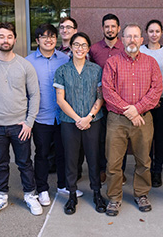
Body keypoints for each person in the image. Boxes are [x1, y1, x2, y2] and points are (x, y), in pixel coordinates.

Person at [0, 22, 42, 217]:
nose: (6, 40)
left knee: (24, 162)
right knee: (0, 163)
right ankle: (2, 195)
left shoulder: (25, 65)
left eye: (9, 36)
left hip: (20, 125)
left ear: (15, 39)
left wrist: (29, 121)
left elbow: (35, 94)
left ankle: (30, 195)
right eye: (1, 36)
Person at [102, 23, 162, 216]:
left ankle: (141, 194)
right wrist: (129, 111)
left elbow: (156, 90)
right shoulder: (113, 62)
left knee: (144, 160)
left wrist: (137, 109)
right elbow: (107, 91)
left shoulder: (151, 63)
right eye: (128, 36)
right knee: (113, 163)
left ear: (141, 40)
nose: (132, 40)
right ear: (123, 39)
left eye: (136, 36)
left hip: (143, 120)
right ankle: (114, 197)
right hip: (116, 120)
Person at [26, 23, 83, 207]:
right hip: (41, 116)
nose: (48, 39)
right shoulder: (28, 62)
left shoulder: (65, 58)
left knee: (63, 152)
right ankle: (42, 189)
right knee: (42, 154)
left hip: (63, 115)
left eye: (51, 36)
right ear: (37, 40)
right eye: (44, 36)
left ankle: (63, 185)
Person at [54, 32, 107, 215]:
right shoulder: (62, 71)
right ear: (70, 47)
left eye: (83, 45)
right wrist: (78, 118)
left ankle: (97, 193)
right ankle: (71, 195)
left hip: (93, 121)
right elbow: (60, 100)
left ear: (88, 48)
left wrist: (89, 117)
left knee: (93, 158)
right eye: (76, 45)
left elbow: (100, 97)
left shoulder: (96, 70)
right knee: (71, 159)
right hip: (70, 122)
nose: (79, 48)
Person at [89, 13, 126, 184]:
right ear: (102, 28)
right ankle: (103, 169)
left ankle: (120, 171)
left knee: (120, 138)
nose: (110, 29)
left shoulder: (125, 48)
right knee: (101, 138)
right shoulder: (94, 49)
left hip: (120, 102)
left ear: (119, 28)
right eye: (107, 26)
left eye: (113, 26)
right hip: (99, 101)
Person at [139, 19, 163, 188]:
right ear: (146, 32)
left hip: (162, 101)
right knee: (144, 138)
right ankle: (144, 170)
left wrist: (155, 96)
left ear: (161, 33)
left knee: (159, 136)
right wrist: (147, 100)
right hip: (143, 103)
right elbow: (136, 76)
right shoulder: (140, 50)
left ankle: (157, 170)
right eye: (151, 31)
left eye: (157, 31)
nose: (154, 34)